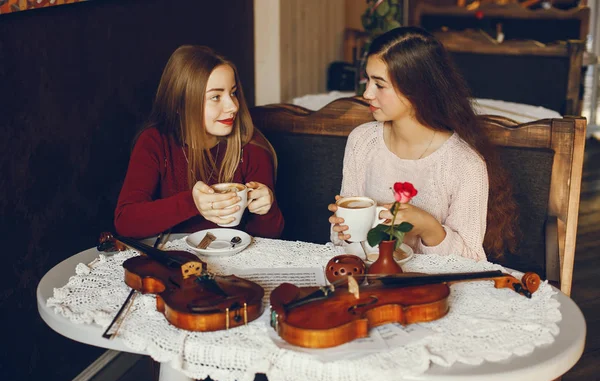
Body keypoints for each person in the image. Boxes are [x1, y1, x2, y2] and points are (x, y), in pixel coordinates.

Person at [329, 27, 518, 262]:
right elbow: (341, 242)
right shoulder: (361, 141)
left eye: (379, 84)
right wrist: (346, 231)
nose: (367, 94)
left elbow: (472, 260)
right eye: (367, 80)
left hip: (430, 289)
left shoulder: (465, 164)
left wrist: (429, 228)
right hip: (370, 281)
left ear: (417, 90)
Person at [114, 45, 284, 240]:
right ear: (181, 105)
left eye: (233, 93)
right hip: (172, 264)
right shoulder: (155, 142)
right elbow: (125, 222)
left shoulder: (252, 147)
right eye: (216, 97)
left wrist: (267, 208)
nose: (233, 107)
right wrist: (192, 203)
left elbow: (268, 240)